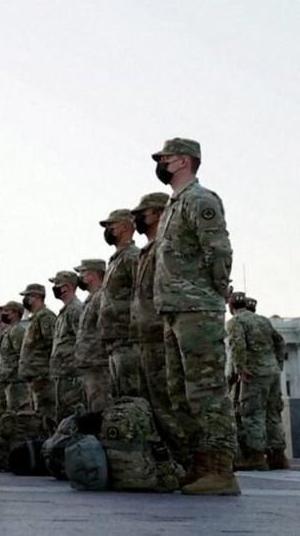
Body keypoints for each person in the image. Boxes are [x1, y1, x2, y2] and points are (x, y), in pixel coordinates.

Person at [152, 137, 238, 495]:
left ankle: (220, 469)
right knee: (179, 393)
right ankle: (199, 464)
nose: (161, 163)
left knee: (206, 392)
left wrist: (213, 292)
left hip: (197, 308)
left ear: (184, 161)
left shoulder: (201, 200)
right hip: (174, 308)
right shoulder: (175, 204)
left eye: (166, 158)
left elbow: (218, 251)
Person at [129, 192, 192, 466]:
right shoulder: (145, 252)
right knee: (152, 404)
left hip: (158, 335)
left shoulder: (163, 248)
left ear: (155, 213)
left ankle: (186, 460)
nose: (137, 219)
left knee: (167, 403)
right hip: (143, 338)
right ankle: (171, 462)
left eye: (141, 213)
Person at [225, 292, 287, 471]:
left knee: (252, 413)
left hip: (254, 373)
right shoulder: (262, 320)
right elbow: (280, 341)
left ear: (231, 307)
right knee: (273, 413)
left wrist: (240, 367)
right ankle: (278, 456)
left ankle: (256, 456)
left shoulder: (235, 322)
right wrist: (278, 362)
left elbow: (238, 345)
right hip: (272, 372)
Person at [97, 209, 141, 397]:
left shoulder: (132, 256)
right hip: (115, 340)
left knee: (130, 395)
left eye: (110, 226)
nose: (107, 231)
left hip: (127, 338)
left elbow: (142, 293)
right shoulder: (117, 259)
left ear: (124, 226)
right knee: (119, 395)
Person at [48, 271, 84, 423]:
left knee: (72, 416)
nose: (54, 289)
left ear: (67, 287)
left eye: (57, 285)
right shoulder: (65, 312)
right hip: (62, 374)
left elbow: (81, 340)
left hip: (72, 375)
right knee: (63, 417)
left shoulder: (75, 310)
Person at [18, 283, 57, 424]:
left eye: (27, 296)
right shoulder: (35, 318)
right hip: (35, 376)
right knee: (38, 412)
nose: (25, 300)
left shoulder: (45, 317)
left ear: (36, 297)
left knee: (46, 413)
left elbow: (52, 343)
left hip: (43, 375)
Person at [73, 259, 108, 412]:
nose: (79, 277)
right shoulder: (90, 300)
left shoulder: (101, 297)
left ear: (92, 275)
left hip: (98, 362)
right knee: (92, 407)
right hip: (89, 362)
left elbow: (105, 328)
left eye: (82, 273)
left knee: (101, 407)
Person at [0, 301, 29, 412]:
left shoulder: (18, 331)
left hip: (14, 381)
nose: (3, 314)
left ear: (15, 313)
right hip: (5, 380)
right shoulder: (7, 332)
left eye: (6, 311)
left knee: (16, 413)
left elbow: (22, 355)